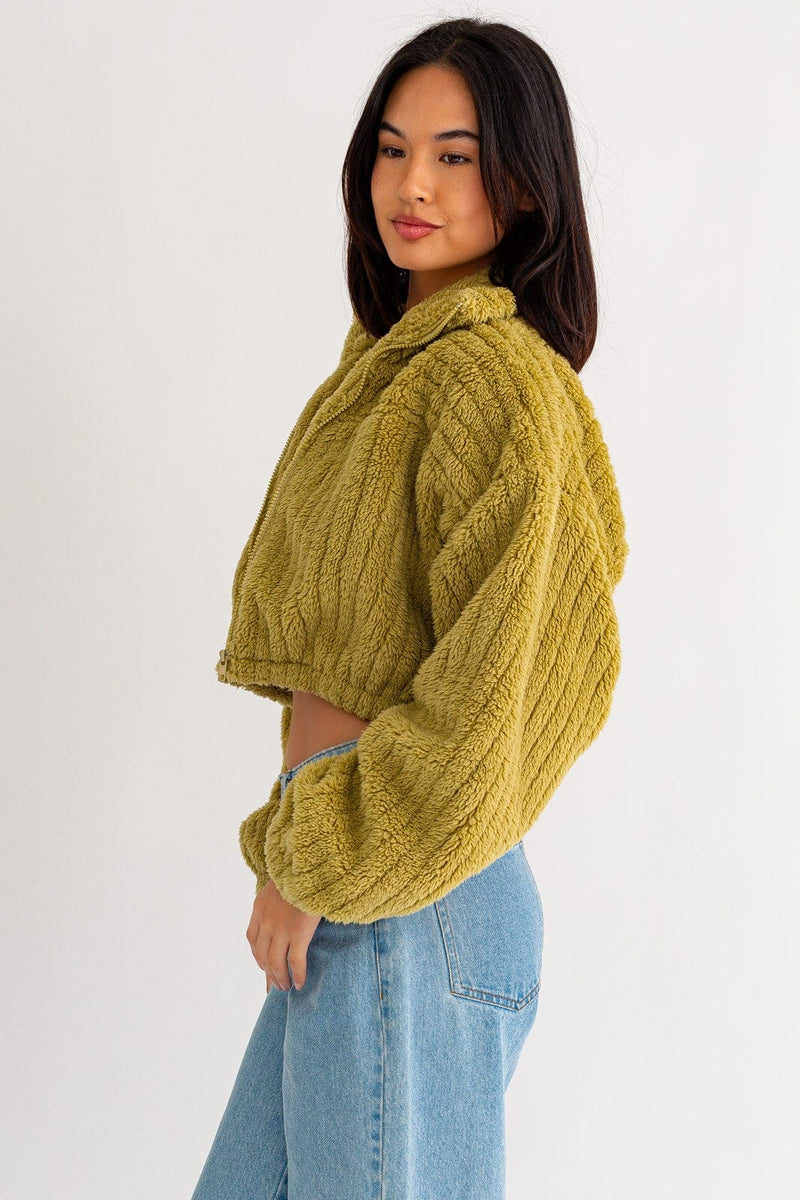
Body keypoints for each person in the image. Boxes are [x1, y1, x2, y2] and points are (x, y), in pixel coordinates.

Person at [192, 16, 628, 1200]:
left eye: (453, 154)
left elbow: (485, 703)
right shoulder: (391, 366)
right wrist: (305, 856)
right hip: (366, 880)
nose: (411, 185)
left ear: (524, 185)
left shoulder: (489, 379)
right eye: (391, 150)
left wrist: (312, 861)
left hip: (406, 893)